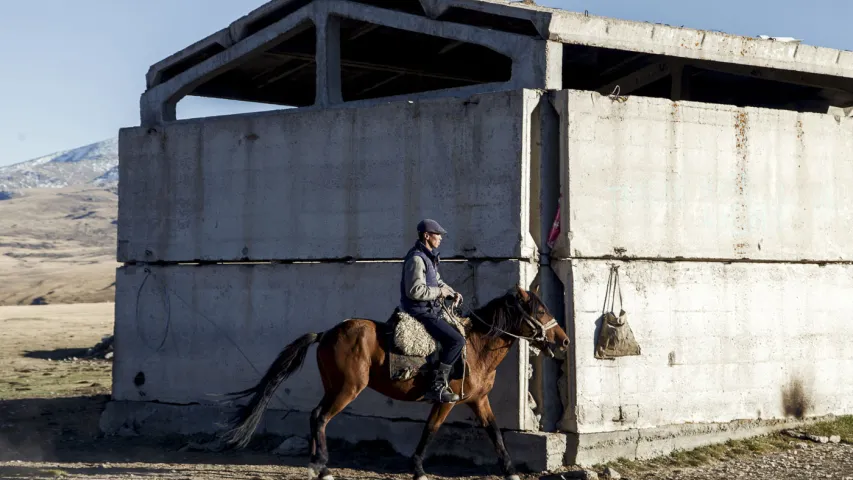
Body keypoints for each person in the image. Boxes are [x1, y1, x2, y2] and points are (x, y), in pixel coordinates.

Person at [399, 219, 464, 403]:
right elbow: (415, 291)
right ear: (427, 236)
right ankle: (437, 386)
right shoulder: (416, 259)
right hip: (420, 311)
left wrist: (451, 292)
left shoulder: (429, 257)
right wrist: (440, 292)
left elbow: (438, 281)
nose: (441, 238)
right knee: (456, 340)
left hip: (431, 309)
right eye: (438, 234)